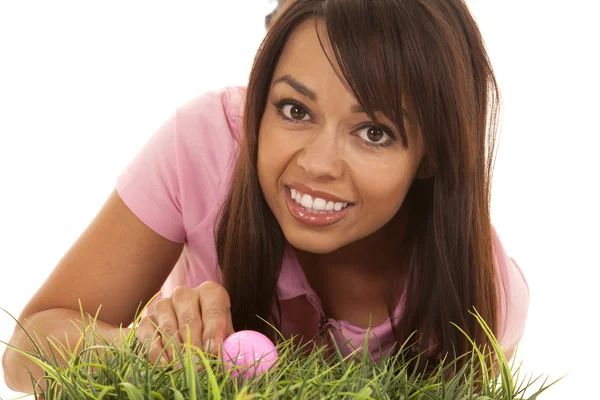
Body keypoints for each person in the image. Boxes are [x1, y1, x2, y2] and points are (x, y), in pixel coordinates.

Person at [3, 0, 530, 393]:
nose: (317, 165)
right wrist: (144, 348)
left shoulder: (480, 295)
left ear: (433, 154)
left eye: (374, 132)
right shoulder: (207, 146)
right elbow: (26, 350)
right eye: (295, 110)